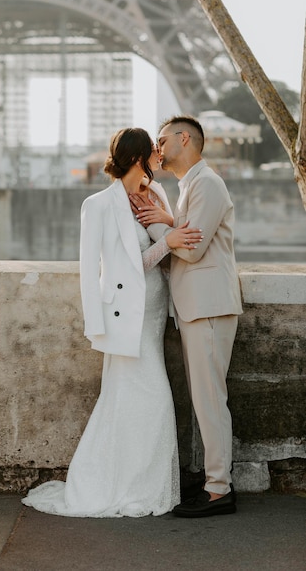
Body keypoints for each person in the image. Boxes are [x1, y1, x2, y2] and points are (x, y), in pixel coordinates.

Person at [22, 127, 203, 518]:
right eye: (153, 151)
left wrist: (169, 236)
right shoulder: (99, 205)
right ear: (139, 157)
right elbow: (103, 271)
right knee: (147, 398)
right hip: (125, 318)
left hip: (154, 315)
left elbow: (171, 252)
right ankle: (125, 484)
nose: (160, 155)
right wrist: (166, 244)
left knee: (131, 401)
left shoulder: (155, 195)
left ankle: (138, 482)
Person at [130, 116, 243, 518]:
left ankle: (218, 490)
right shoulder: (190, 187)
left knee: (210, 400)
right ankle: (215, 481)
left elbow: (191, 250)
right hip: (198, 306)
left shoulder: (207, 183)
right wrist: (170, 223)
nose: (157, 149)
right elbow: (186, 241)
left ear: (184, 139)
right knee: (205, 399)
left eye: (162, 140)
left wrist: (164, 225)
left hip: (208, 306)